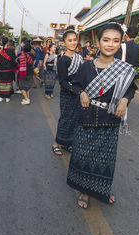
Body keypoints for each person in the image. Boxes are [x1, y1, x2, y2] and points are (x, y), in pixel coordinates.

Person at [67, 22, 137, 209]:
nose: (110, 44)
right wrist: (81, 92)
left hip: (109, 121)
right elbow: (75, 84)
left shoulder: (124, 70)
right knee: (83, 157)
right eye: (106, 40)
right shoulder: (86, 67)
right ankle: (85, 191)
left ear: (120, 43)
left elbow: (131, 90)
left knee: (104, 160)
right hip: (86, 120)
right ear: (98, 42)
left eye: (115, 41)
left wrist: (124, 100)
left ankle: (101, 189)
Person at [52, 26, 83, 156]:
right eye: (69, 40)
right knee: (65, 119)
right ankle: (56, 143)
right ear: (64, 42)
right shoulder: (63, 60)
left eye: (74, 40)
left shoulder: (79, 58)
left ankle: (68, 143)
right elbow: (63, 82)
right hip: (68, 93)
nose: (73, 43)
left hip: (78, 94)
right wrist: (74, 90)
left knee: (75, 119)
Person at [0, 37, 16, 102]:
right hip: (9, 69)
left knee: (1, 83)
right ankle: (7, 97)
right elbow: (14, 60)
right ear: (8, 43)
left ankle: (1, 96)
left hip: (1, 68)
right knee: (8, 83)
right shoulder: (11, 51)